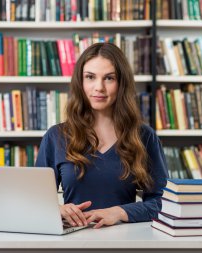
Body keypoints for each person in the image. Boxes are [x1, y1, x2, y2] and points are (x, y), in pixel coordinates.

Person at [35, 42, 168, 229]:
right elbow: (35, 202)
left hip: (126, 242)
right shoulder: (56, 136)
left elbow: (162, 204)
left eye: (109, 78)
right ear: (80, 82)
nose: (99, 87)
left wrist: (120, 212)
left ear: (121, 83)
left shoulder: (144, 136)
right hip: (72, 241)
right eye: (90, 77)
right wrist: (57, 209)